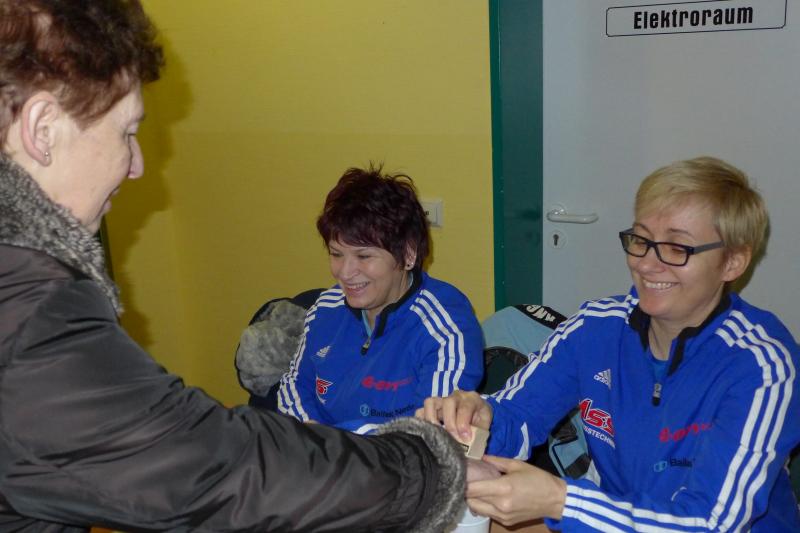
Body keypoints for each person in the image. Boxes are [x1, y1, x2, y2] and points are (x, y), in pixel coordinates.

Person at [0, 1, 467, 531]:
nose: (137, 165)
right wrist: (428, 470)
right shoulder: (29, 317)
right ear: (42, 129)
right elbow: (216, 470)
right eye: (126, 132)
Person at [419, 157, 800, 531]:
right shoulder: (596, 328)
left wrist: (561, 501)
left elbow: (711, 523)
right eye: (641, 240)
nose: (646, 264)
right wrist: (480, 420)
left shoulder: (762, 365)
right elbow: (517, 416)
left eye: (676, 248)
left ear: (733, 263)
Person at [276, 165, 484, 433]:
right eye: (336, 254)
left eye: (364, 256)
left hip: (393, 456)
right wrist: (310, 438)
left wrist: (332, 446)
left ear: (408, 254)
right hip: (318, 451)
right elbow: (294, 386)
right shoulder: (325, 308)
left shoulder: (445, 326)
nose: (345, 273)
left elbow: (431, 433)